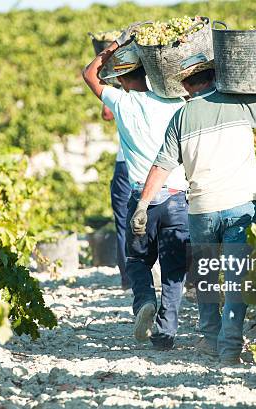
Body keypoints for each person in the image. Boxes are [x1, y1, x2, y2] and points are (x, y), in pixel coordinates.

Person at [130, 29, 256, 363]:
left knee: (207, 280)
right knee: (237, 279)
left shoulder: (180, 117)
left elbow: (161, 166)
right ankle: (229, 347)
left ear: (184, 86)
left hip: (202, 211)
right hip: (241, 205)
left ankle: (211, 340)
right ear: (216, 76)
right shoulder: (240, 102)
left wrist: (141, 204)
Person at [82, 24, 189, 350]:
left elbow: (90, 75)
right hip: (175, 198)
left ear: (123, 80)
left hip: (139, 197)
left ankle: (144, 300)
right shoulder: (175, 104)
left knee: (138, 261)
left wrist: (117, 43)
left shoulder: (122, 104)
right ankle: (165, 334)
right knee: (173, 269)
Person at [101, 104, 132, 290]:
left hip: (126, 162)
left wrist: (109, 81)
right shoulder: (164, 86)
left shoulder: (125, 89)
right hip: (160, 161)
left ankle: (129, 280)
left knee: (123, 223)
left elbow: (106, 113)